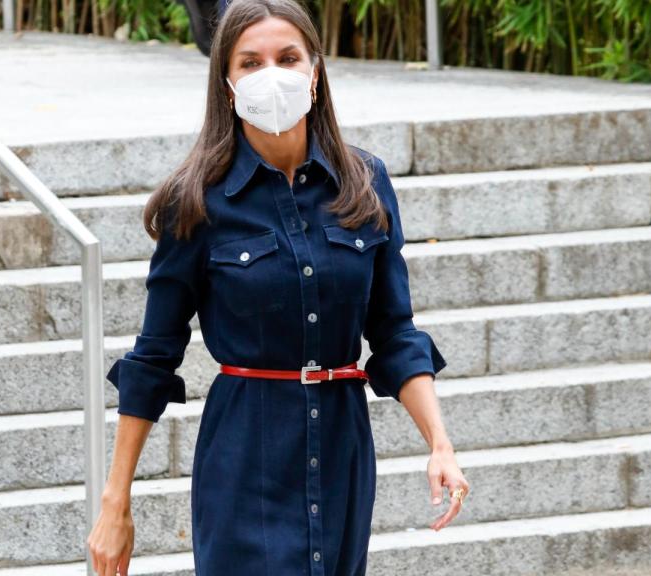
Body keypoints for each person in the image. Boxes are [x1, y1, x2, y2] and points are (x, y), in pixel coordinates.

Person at [87, 1, 470, 574]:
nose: (272, 73)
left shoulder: (365, 183)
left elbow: (394, 332)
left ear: (314, 72)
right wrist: (115, 503)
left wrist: (440, 442)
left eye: (288, 58)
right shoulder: (192, 202)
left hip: (342, 447)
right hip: (244, 453)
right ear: (228, 82)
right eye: (251, 61)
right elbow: (153, 358)